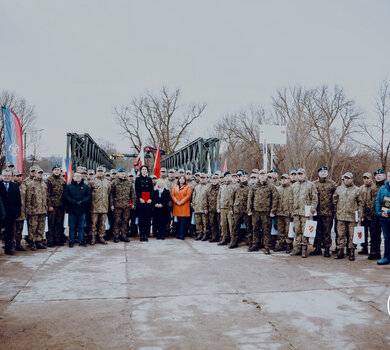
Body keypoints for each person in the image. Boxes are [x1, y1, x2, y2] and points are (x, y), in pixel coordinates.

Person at [247, 169, 278, 254]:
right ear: (258, 176)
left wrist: (273, 211)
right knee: (255, 229)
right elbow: (250, 199)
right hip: (256, 212)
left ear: (266, 176)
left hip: (266, 212)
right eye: (261, 175)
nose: (262, 176)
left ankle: (267, 247)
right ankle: (255, 244)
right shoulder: (254, 187)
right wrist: (249, 209)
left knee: (266, 230)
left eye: (264, 175)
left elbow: (275, 199)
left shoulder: (271, 186)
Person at [333, 172, 361, 261]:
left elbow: (361, 203)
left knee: (352, 235)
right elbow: (334, 200)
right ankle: (340, 251)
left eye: (349, 178)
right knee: (340, 235)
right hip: (341, 216)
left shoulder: (357, 190)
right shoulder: (339, 189)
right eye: (345, 178)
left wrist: (359, 215)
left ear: (352, 179)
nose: (347, 180)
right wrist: (336, 211)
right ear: (343, 179)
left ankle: (351, 252)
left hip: (352, 217)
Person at [290, 168, 318, 258]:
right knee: (297, 230)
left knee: (305, 231)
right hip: (296, 212)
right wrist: (291, 210)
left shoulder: (310, 185)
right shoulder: (294, 186)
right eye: (298, 174)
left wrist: (312, 210)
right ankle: (298, 247)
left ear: (305, 174)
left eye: (301, 174)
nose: (300, 175)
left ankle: (304, 248)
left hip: (306, 212)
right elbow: (290, 199)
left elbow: (315, 198)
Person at [312, 166, 336, 257]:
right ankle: (317, 248)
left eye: (325, 171)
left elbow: (336, 197)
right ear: (318, 173)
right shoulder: (314, 184)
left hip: (328, 212)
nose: (323, 173)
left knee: (327, 231)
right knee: (317, 231)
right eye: (321, 171)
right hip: (317, 212)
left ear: (327, 173)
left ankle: (327, 248)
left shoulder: (332, 184)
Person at [359, 172, 382, 260]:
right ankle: (364, 248)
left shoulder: (375, 188)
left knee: (374, 234)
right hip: (364, 214)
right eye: (364, 178)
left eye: (368, 178)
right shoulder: (361, 188)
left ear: (371, 178)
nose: (366, 180)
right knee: (363, 232)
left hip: (373, 215)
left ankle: (375, 251)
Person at [64, 172, 91, 247]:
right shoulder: (69, 186)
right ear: (73, 177)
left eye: (79, 176)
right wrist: (74, 202)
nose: (78, 177)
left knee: (81, 226)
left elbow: (88, 196)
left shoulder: (85, 186)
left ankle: (81, 240)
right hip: (72, 209)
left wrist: (82, 201)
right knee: (72, 226)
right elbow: (66, 196)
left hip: (82, 209)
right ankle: (71, 240)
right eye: (76, 176)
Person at [110, 168, 135, 243]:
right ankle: (116, 236)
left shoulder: (129, 182)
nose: (122, 173)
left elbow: (132, 194)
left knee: (125, 221)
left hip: (126, 205)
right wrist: (111, 204)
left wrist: (133, 203)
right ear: (118, 174)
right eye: (121, 172)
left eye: (123, 172)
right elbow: (111, 194)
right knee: (117, 221)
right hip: (117, 205)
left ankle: (124, 235)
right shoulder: (114, 182)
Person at [88, 166, 111, 245]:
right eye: (99, 171)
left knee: (102, 223)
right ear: (96, 172)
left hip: (104, 206)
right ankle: (93, 237)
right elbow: (89, 193)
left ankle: (101, 236)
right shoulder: (92, 181)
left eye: (101, 171)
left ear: (104, 172)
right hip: (94, 206)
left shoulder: (107, 182)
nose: (100, 172)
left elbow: (109, 193)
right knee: (93, 223)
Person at [26, 167, 47, 250]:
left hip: (42, 209)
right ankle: (32, 242)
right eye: (39, 173)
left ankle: (39, 241)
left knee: (41, 227)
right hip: (34, 210)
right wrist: (29, 209)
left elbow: (46, 196)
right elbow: (28, 198)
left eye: (41, 173)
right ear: (35, 173)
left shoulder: (44, 183)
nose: (40, 174)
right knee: (33, 227)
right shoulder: (31, 183)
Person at [0, 169, 21, 255]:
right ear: (1, 176)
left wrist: (17, 212)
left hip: (10, 214)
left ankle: (8, 249)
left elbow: (18, 200)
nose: (7, 177)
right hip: (0, 213)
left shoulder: (15, 186)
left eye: (8, 175)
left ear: (11, 176)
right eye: (5, 175)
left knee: (9, 232)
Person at [45, 164, 66, 247]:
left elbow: (65, 193)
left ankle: (57, 239)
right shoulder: (49, 180)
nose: (57, 171)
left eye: (58, 169)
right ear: (53, 171)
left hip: (61, 205)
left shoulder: (63, 180)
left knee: (59, 223)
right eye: (55, 170)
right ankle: (50, 240)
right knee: (51, 224)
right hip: (53, 206)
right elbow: (47, 194)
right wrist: (49, 205)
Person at [229, 172, 250, 249]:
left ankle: (250, 241)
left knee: (249, 227)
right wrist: (230, 208)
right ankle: (234, 241)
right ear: (239, 178)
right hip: (237, 210)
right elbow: (232, 198)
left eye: (245, 176)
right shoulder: (236, 187)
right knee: (235, 227)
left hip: (246, 211)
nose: (243, 178)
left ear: (247, 177)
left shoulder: (250, 187)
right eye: (242, 177)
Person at [274, 174, 294, 254]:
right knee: (280, 230)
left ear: (288, 179)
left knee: (288, 230)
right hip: (279, 212)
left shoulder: (292, 188)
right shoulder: (278, 189)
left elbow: (294, 201)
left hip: (288, 213)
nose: (284, 180)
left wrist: (292, 211)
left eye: (285, 179)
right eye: (282, 179)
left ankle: (288, 244)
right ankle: (281, 243)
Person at [375, 171, 390, 265]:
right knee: (387, 238)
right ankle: (387, 257)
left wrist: (388, 212)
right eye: (389, 176)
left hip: (388, 214)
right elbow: (377, 202)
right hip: (384, 219)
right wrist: (379, 213)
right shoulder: (382, 188)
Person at [135, 165, 154, 241]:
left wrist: (150, 199)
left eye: (145, 169)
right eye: (143, 169)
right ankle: (141, 234)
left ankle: (146, 234)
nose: (144, 170)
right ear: (141, 170)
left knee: (147, 218)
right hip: (141, 202)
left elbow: (152, 190)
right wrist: (140, 198)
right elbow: (137, 190)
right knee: (141, 218)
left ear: (147, 171)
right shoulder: (138, 179)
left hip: (148, 202)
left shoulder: (149, 179)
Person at [217, 171, 236, 246]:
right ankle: (224, 238)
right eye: (226, 176)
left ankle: (233, 239)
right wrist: (218, 207)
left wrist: (233, 208)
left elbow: (235, 198)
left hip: (230, 209)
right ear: (224, 178)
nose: (227, 177)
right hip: (222, 208)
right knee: (223, 224)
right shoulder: (222, 186)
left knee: (231, 225)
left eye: (229, 176)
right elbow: (219, 197)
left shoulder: (234, 186)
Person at [172, 175, 192, 240]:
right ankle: (178, 234)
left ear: (185, 180)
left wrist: (181, 202)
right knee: (178, 221)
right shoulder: (175, 186)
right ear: (179, 180)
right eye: (181, 179)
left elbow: (188, 195)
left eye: (183, 179)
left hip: (184, 206)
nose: (182, 180)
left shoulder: (188, 187)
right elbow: (173, 195)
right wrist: (176, 201)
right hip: (177, 205)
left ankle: (182, 234)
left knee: (183, 221)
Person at [13, 170, 27, 251]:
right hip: (13, 212)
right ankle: (12, 245)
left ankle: (18, 244)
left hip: (22, 211)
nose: (18, 177)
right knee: (12, 230)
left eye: (20, 176)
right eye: (17, 176)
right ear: (13, 176)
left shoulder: (23, 186)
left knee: (20, 229)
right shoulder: (11, 185)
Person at [193, 173, 210, 241]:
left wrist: (206, 208)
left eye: (204, 178)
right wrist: (194, 205)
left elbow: (209, 199)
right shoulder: (197, 187)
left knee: (205, 222)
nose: (202, 179)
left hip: (204, 208)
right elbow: (194, 196)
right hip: (197, 207)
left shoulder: (208, 187)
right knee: (198, 222)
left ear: (206, 178)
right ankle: (199, 233)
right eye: (201, 178)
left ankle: (205, 234)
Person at [206, 174, 220, 242]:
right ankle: (214, 237)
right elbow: (206, 199)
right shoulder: (209, 188)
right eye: (213, 179)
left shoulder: (221, 187)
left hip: (218, 209)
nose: (214, 180)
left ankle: (221, 237)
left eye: (216, 179)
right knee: (212, 224)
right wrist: (206, 208)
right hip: (211, 209)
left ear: (218, 180)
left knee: (220, 224)